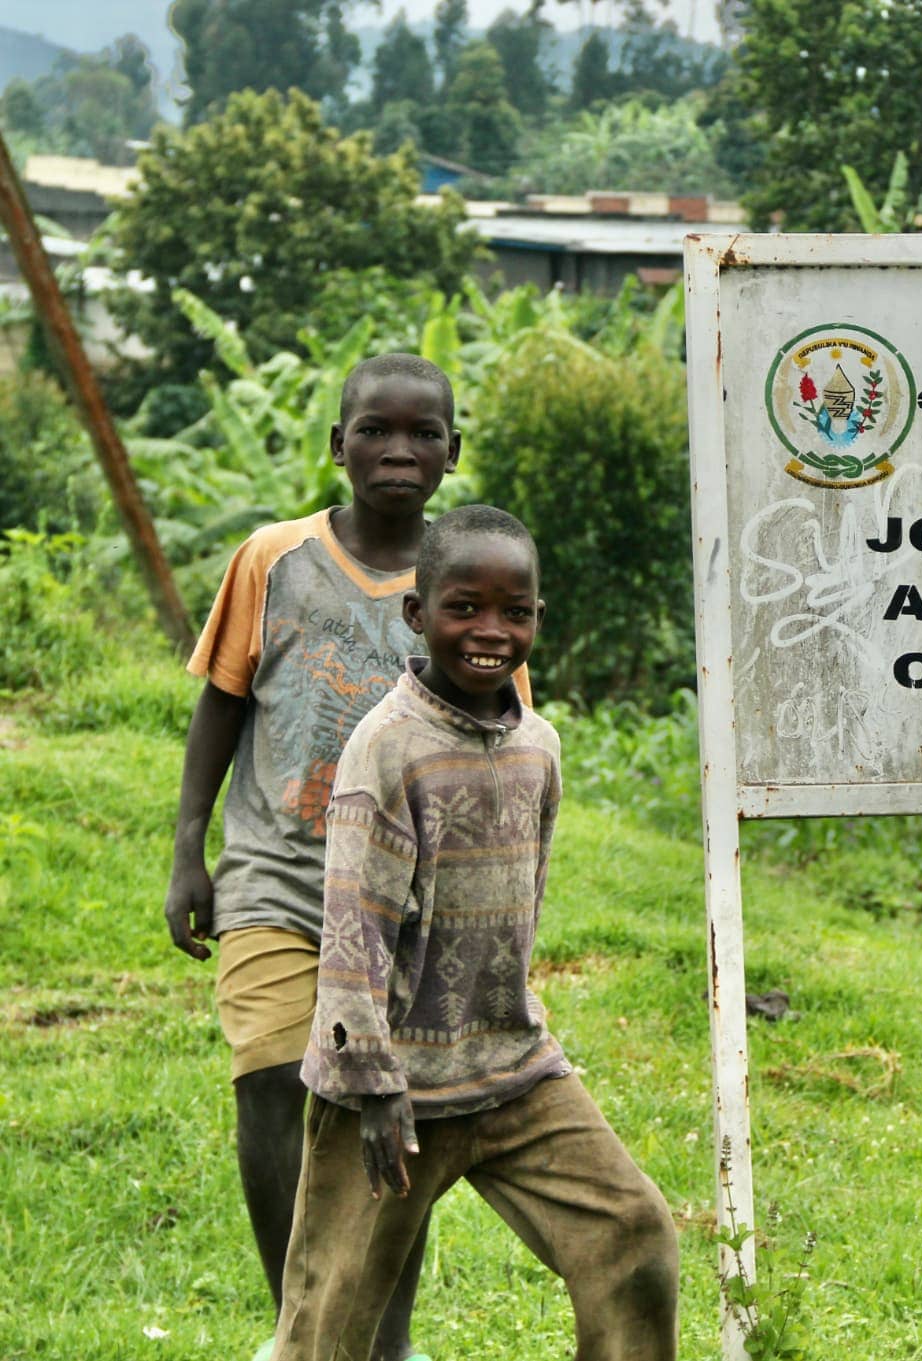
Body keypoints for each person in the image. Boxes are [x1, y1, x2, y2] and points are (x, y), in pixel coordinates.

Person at [164, 354, 514, 1361]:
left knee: (384, 1108)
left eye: (422, 432)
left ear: (452, 449)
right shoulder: (273, 559)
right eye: (374, 429)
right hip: (275, 878)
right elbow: (223, 700)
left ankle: (380, 1337)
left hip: (411, 909)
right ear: (337, 444)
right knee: (273, 1078)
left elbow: (494, 750)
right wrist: (191, 849)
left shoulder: (471, 583)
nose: (398, 450)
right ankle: (305, 1325)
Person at [271, 505, 679, 1361]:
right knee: (329, 1323)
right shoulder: (386, 750)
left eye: (514, 610)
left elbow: (521, 908)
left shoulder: (540, 746)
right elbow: (352, 931)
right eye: (464, 607)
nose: (490, 631)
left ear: (536, 617)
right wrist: (373, 1084)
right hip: (389, 1092)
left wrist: (512, 1022)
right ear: (418, 614)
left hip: (512, 1067)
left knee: (632, 1234)